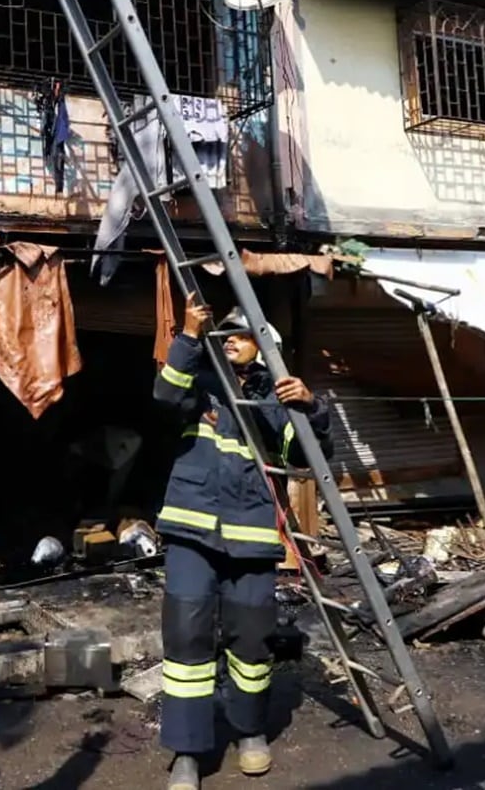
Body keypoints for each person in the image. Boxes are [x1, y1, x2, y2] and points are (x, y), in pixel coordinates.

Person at [153, 295, 332, 790]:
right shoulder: (202, 384)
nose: (229, 338)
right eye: (224, 333)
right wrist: (189, 337)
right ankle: (188, 752)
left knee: (252, 643)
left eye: (241, 332)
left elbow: (307, 457)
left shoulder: (277, 398)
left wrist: (310, 408)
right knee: (187, 639)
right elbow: (166, 395)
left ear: (266, 345)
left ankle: (249, 730)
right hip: (192, 531)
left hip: (252, 538)